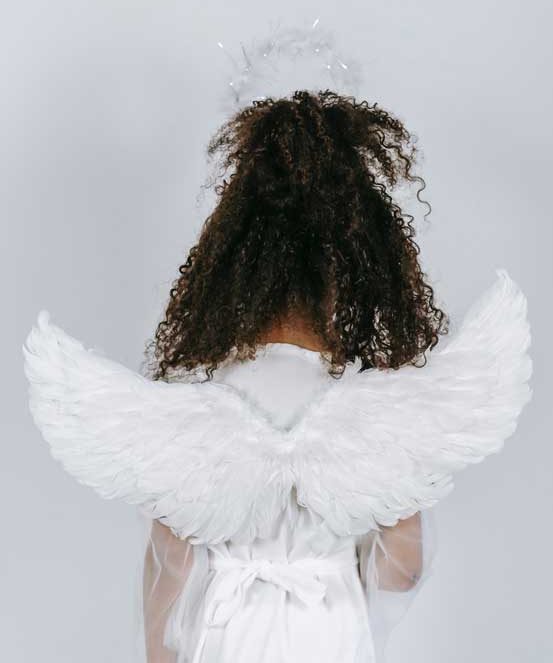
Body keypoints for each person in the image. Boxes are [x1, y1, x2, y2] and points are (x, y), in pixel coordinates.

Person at [23, 90, 533, 663]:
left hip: (226, 635)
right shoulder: (377, 411)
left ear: (233, 262)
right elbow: (402, 571)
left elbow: (170, 570)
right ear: (347, 270)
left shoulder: (191, 400)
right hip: (330, 634)